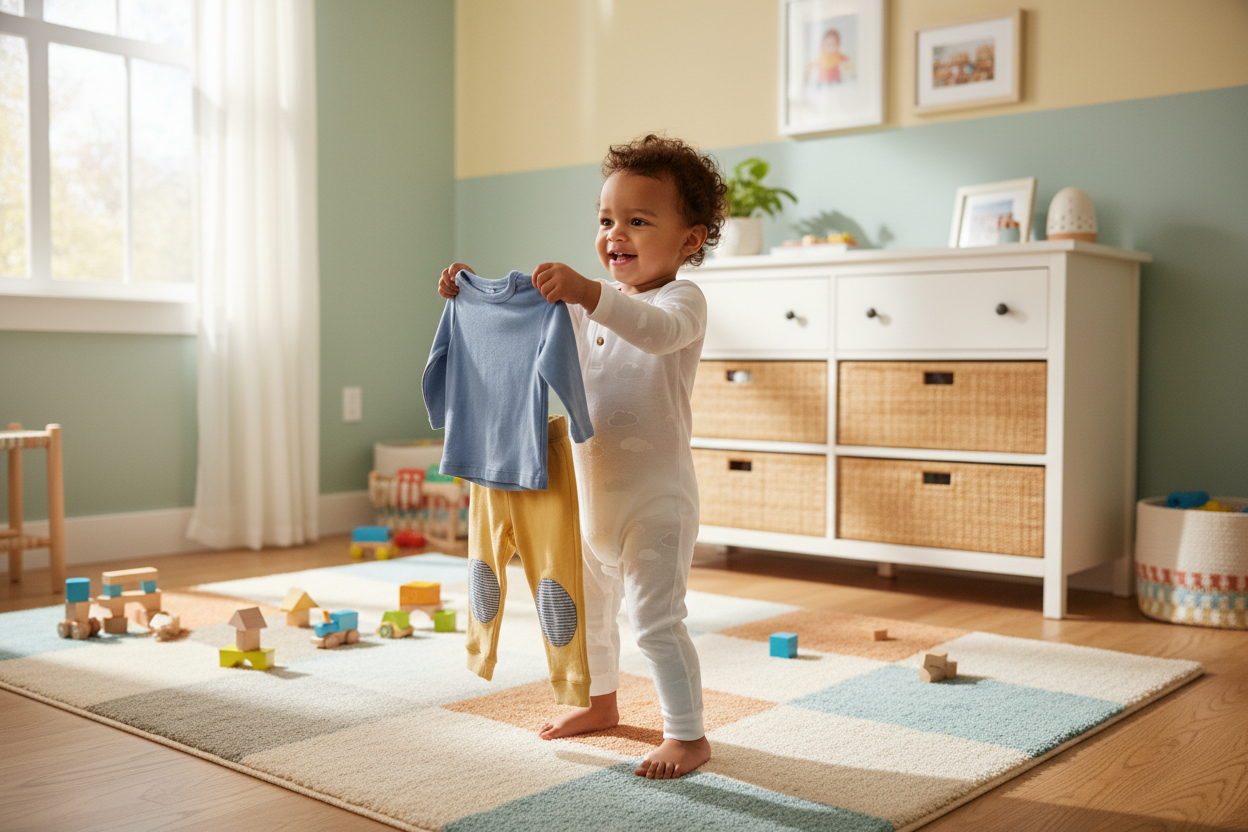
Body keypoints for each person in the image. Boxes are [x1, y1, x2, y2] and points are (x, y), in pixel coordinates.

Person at [438, 134, 726, 779]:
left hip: (655, 503)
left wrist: (588, 294)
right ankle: (599, 703)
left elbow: (652, 334)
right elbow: (528, 335)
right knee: (590, 614)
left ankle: (688, 734)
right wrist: (474, 299)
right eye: (605, 219)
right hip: (589, 497)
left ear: (689, 241)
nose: (614, 234)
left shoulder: (681, 303)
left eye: (638, 221)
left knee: (656, 622)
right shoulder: (589, 306)